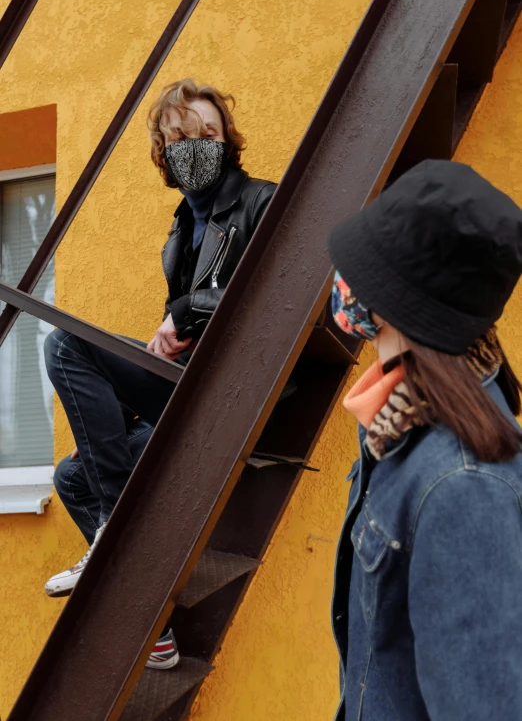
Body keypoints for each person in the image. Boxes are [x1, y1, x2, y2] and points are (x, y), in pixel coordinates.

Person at [44, 78, 276, 669]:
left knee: (67, 343)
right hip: (187, 387)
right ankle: (159, 632)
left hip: (228, 392)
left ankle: (115, 536)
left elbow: (273, 294)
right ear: (163, 153)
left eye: (208, 134)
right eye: (181, 138)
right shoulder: (178, 235)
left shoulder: (262, 203)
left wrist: (184, 314)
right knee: (72, 475)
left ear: (227, 141)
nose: (195, 146)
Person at [327, 160, 522, 720]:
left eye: (360, 271)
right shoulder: (396, 428)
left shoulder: (464, 486)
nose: (344, 285)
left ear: (395, 299)